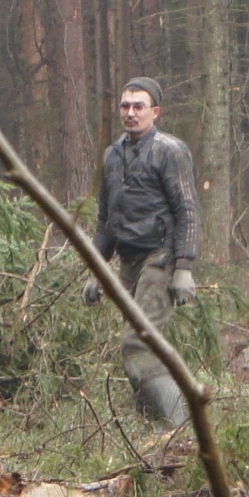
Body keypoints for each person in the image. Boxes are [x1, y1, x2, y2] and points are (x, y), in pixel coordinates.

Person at [84, 77, 202, 426]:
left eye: (138, 106)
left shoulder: (170, 150)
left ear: (155, 111)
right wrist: (97, 270)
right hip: (127, 262)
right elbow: (106, 220)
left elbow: (188, 210)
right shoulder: (112, 155)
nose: (130, 113)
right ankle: (151, 427)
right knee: (134, 349)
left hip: (160, 258)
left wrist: (184, 268)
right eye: (125, 106)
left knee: (139, 341)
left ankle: (177, 429)